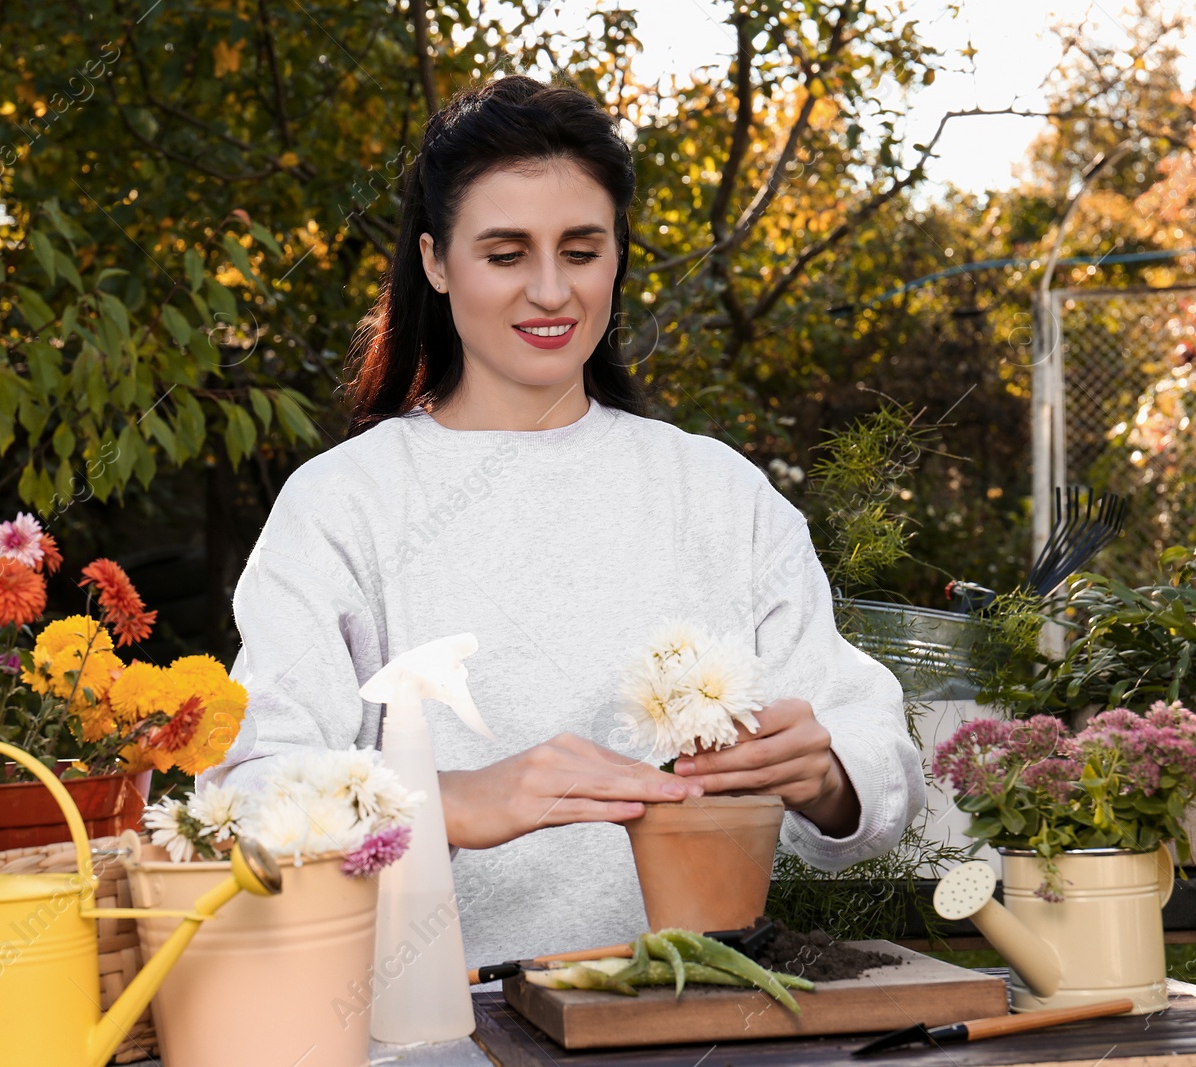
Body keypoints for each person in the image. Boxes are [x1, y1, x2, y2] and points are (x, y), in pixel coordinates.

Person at [201, 75, 924, 968]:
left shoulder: (716, 493)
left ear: (618, 256)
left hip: (692, 1019)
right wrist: (450, 800)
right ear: (435, 261)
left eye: (580, 251)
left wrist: (827, 776)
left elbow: (876, 761)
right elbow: (244, 796)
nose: (550, 291)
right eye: (505, 254)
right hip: (424, 1028)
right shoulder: (344, 503)